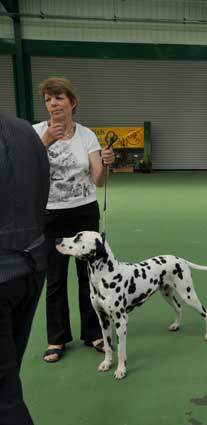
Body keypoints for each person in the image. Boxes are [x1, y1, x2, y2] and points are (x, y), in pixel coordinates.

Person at [32, 77, 115, 362]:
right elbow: (27, 169)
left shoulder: (87, 135)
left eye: (58, 98)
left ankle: (93, 333)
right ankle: (56, 339)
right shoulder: (36, 133)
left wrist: (106, 163)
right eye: (48, 99)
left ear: (72, 102)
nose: (53, 104)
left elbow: (98, 180)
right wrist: (45, 142)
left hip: (84, 211)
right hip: (51, 213)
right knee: (55, 278)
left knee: (88, 276)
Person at [0, 113, 50, 425]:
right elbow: (42, 190)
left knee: (5, 398)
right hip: (30, 265)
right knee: (8, 375)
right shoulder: (25, 130)